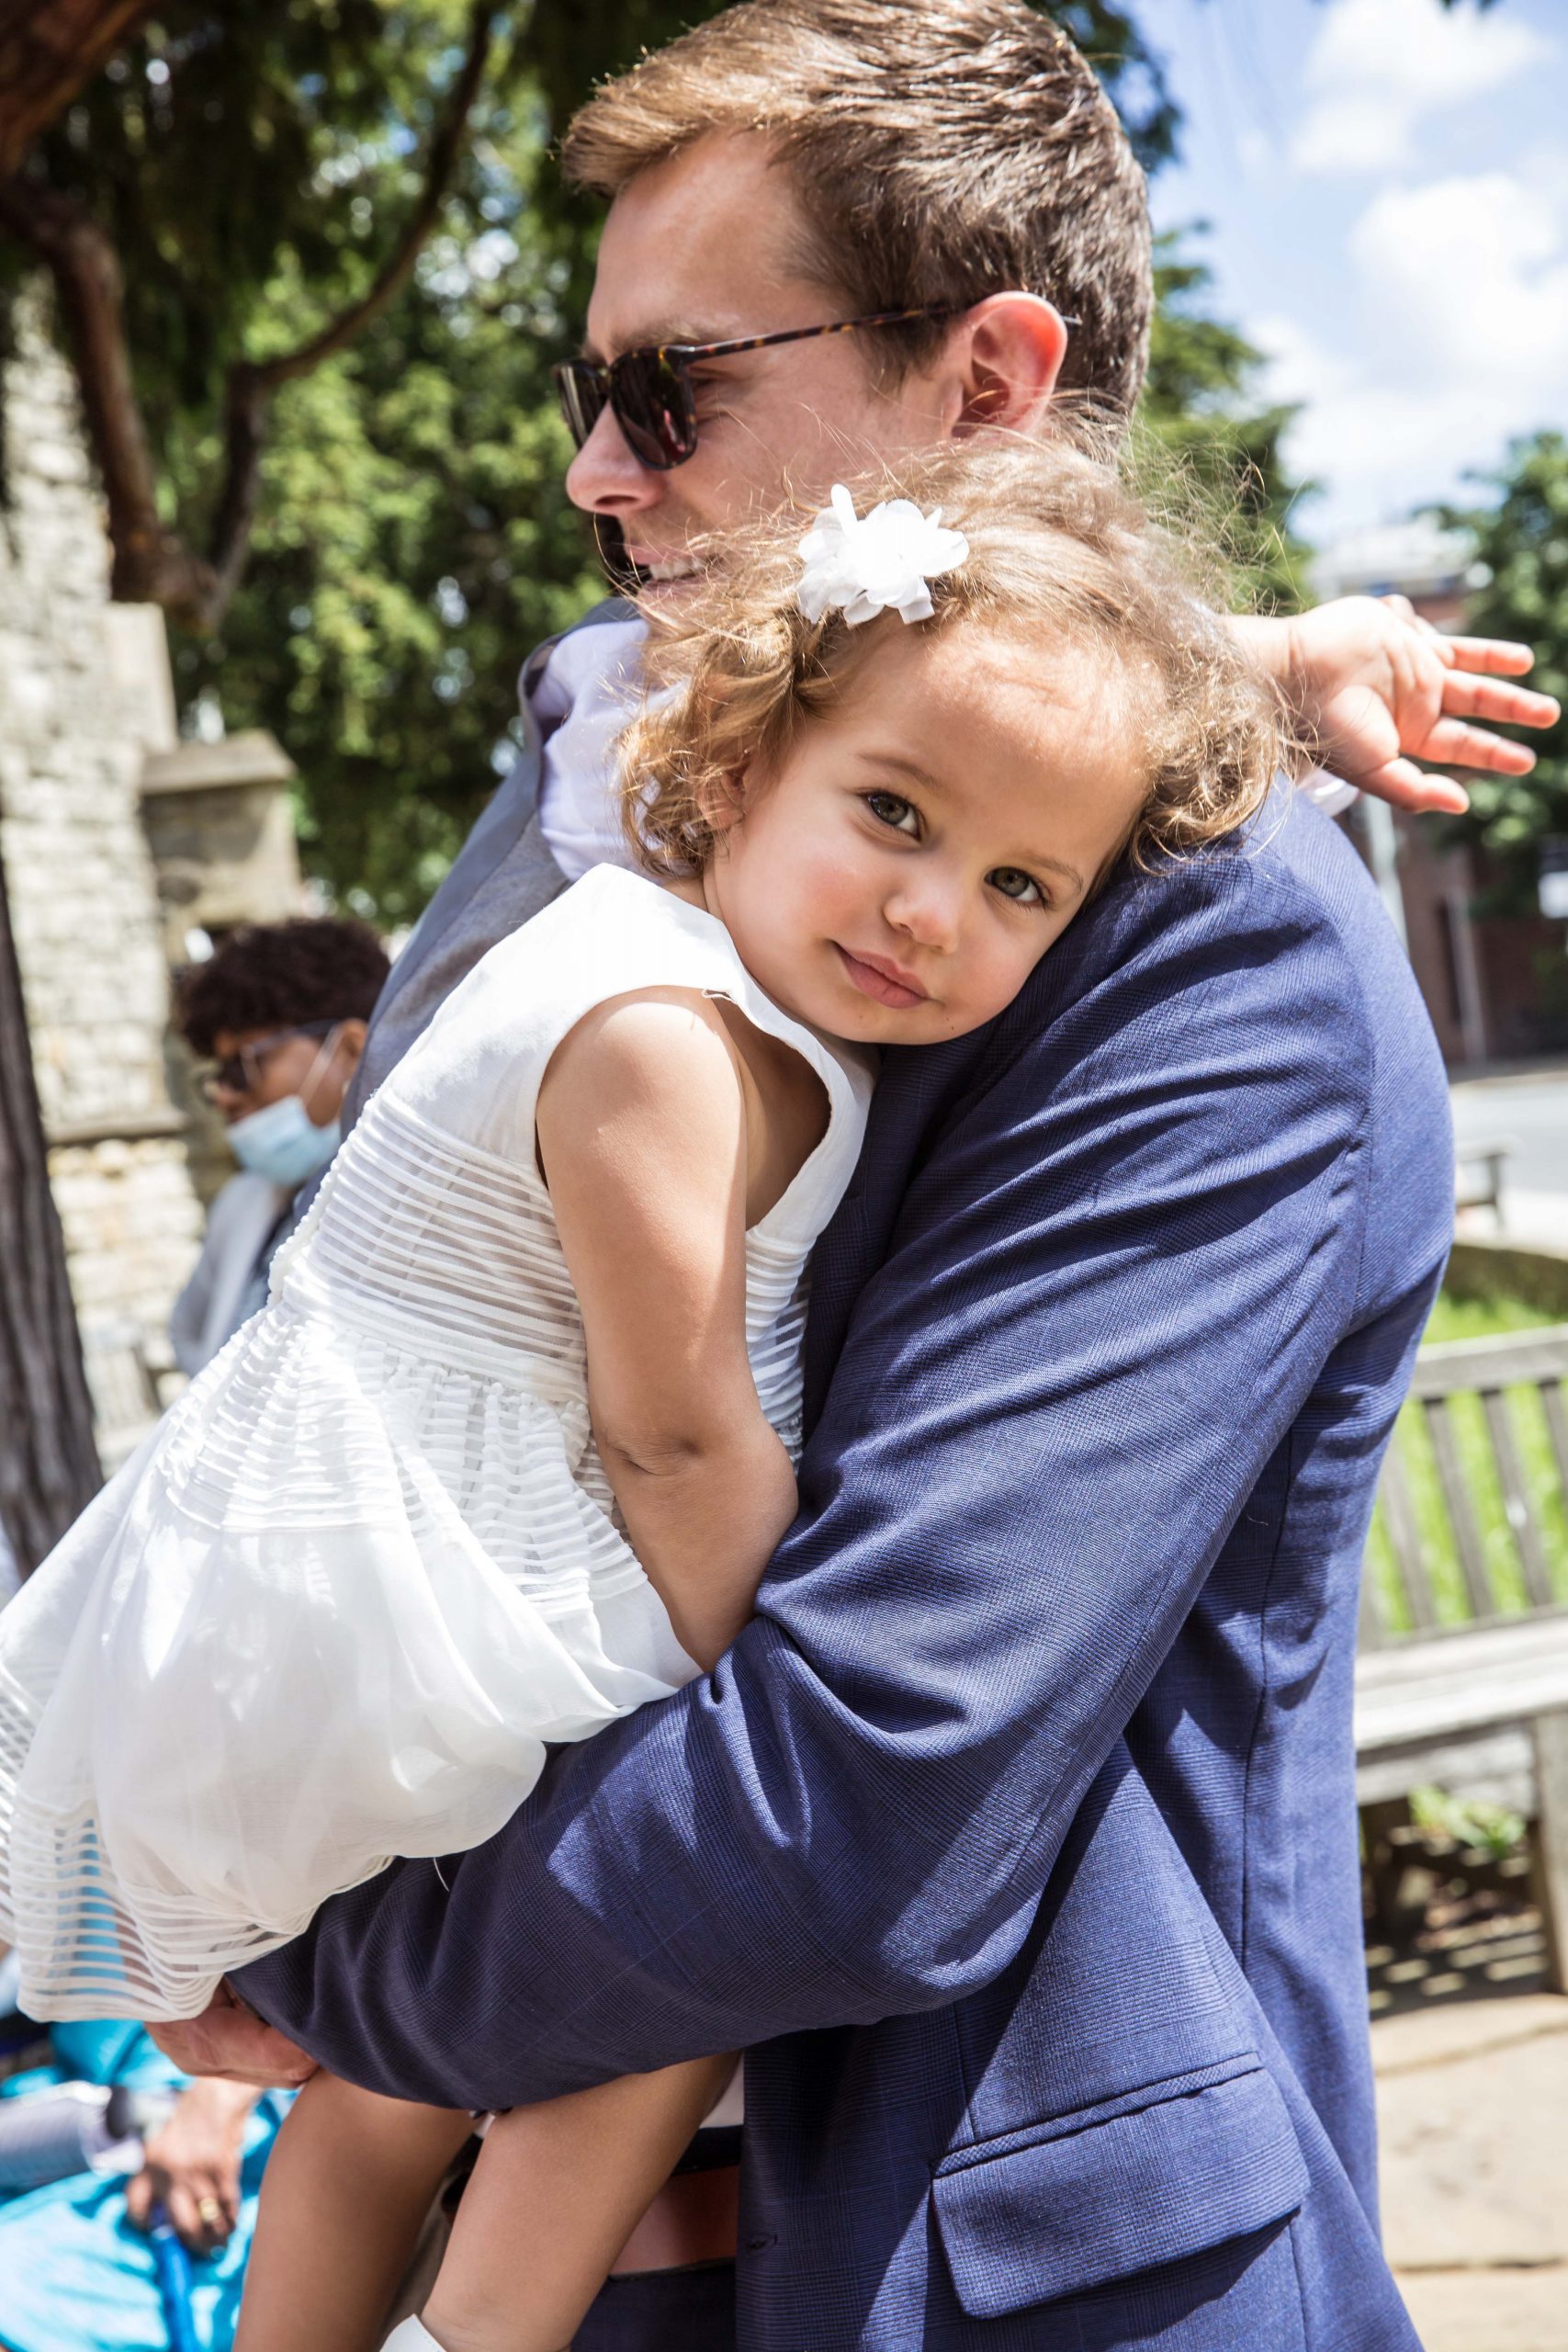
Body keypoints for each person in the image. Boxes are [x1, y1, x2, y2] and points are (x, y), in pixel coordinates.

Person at [152, 6, 1562, 2349]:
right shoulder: (673, 792)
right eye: (581, 395)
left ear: (987, 380)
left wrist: (316, 1958)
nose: (603, 475)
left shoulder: (1214, 944)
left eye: (673, 390)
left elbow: (860, 1775)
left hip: (997, 2280)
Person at [0, 437, 1287, 2351]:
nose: (933, 908)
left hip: (414, 1545)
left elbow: (1011, 705)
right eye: (893, 814)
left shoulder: (711, 965)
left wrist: (1293, 664)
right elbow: (670, 1428)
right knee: (671, 1967)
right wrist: (761, 1693)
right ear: (736, 760)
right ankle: (479, 2333)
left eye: (1021, 882)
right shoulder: (663, 1034)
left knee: (390, 2100)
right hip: (439, 1565)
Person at [170, 918, 389, 1374]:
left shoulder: (420, 1193)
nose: (223, 1095)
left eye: (245, 1064)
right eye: (217, 1074)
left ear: (348, 1048)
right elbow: (191, 1338)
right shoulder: (242, 1204)